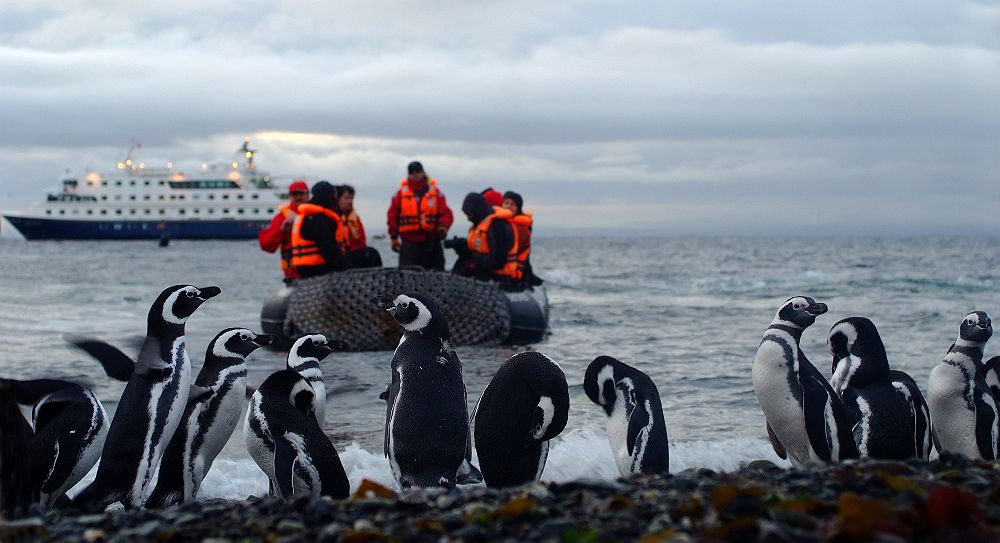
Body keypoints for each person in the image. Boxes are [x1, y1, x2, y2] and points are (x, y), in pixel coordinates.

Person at [445, 192, 526, 284]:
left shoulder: (497, 225)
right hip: (484, 272)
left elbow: (498, 261)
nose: (468, 218)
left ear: (477, 210)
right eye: (466, 214)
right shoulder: (478, 225)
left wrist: (470, 254)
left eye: (469, 214)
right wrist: (462, 248)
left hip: (500, 278)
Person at [386, 161, 453, 270]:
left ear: (423, 172)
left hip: (432, 242)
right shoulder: (400, 195)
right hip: (409, 244)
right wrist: (394, 237)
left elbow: (446, 213)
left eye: (418, 171)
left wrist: (444, 226)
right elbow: (392, 216)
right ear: (409, 175)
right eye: (412, 172)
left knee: (436, 276)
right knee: (408, 278)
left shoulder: (436, 193)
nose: (415, 174)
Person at [289, 181, 349, 278]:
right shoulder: (318, 219)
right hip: (317, 269)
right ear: (327, 197)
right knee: (370, 255)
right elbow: (330, 254)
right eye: (334, 196)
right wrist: (349, 268)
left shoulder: (306, 215)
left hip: (304, 269)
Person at [258, 180, 309, 283]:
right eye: (295, 194)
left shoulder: (315, 214)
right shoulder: (282, 218)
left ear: (308, 194)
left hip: (317, 272)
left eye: (301, 193)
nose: (298, 197)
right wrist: (281, 230)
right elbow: (266, 245)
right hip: (293, 276)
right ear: (290, 196)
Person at [502, 191, 542, 286]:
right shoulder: (499, 223)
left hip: (514, 272)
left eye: (512, 204)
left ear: (518, 208)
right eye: (506, 203)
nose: (508, 206)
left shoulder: (521, 227)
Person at [337, 184, 382, 268]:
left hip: (353, 256)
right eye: (346, 198)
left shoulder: (354, 219)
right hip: (341, 258)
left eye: (351, 198)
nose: (350, 201)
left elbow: (362, 240)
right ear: (338, 199)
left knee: (371, 254)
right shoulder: (334, 219)